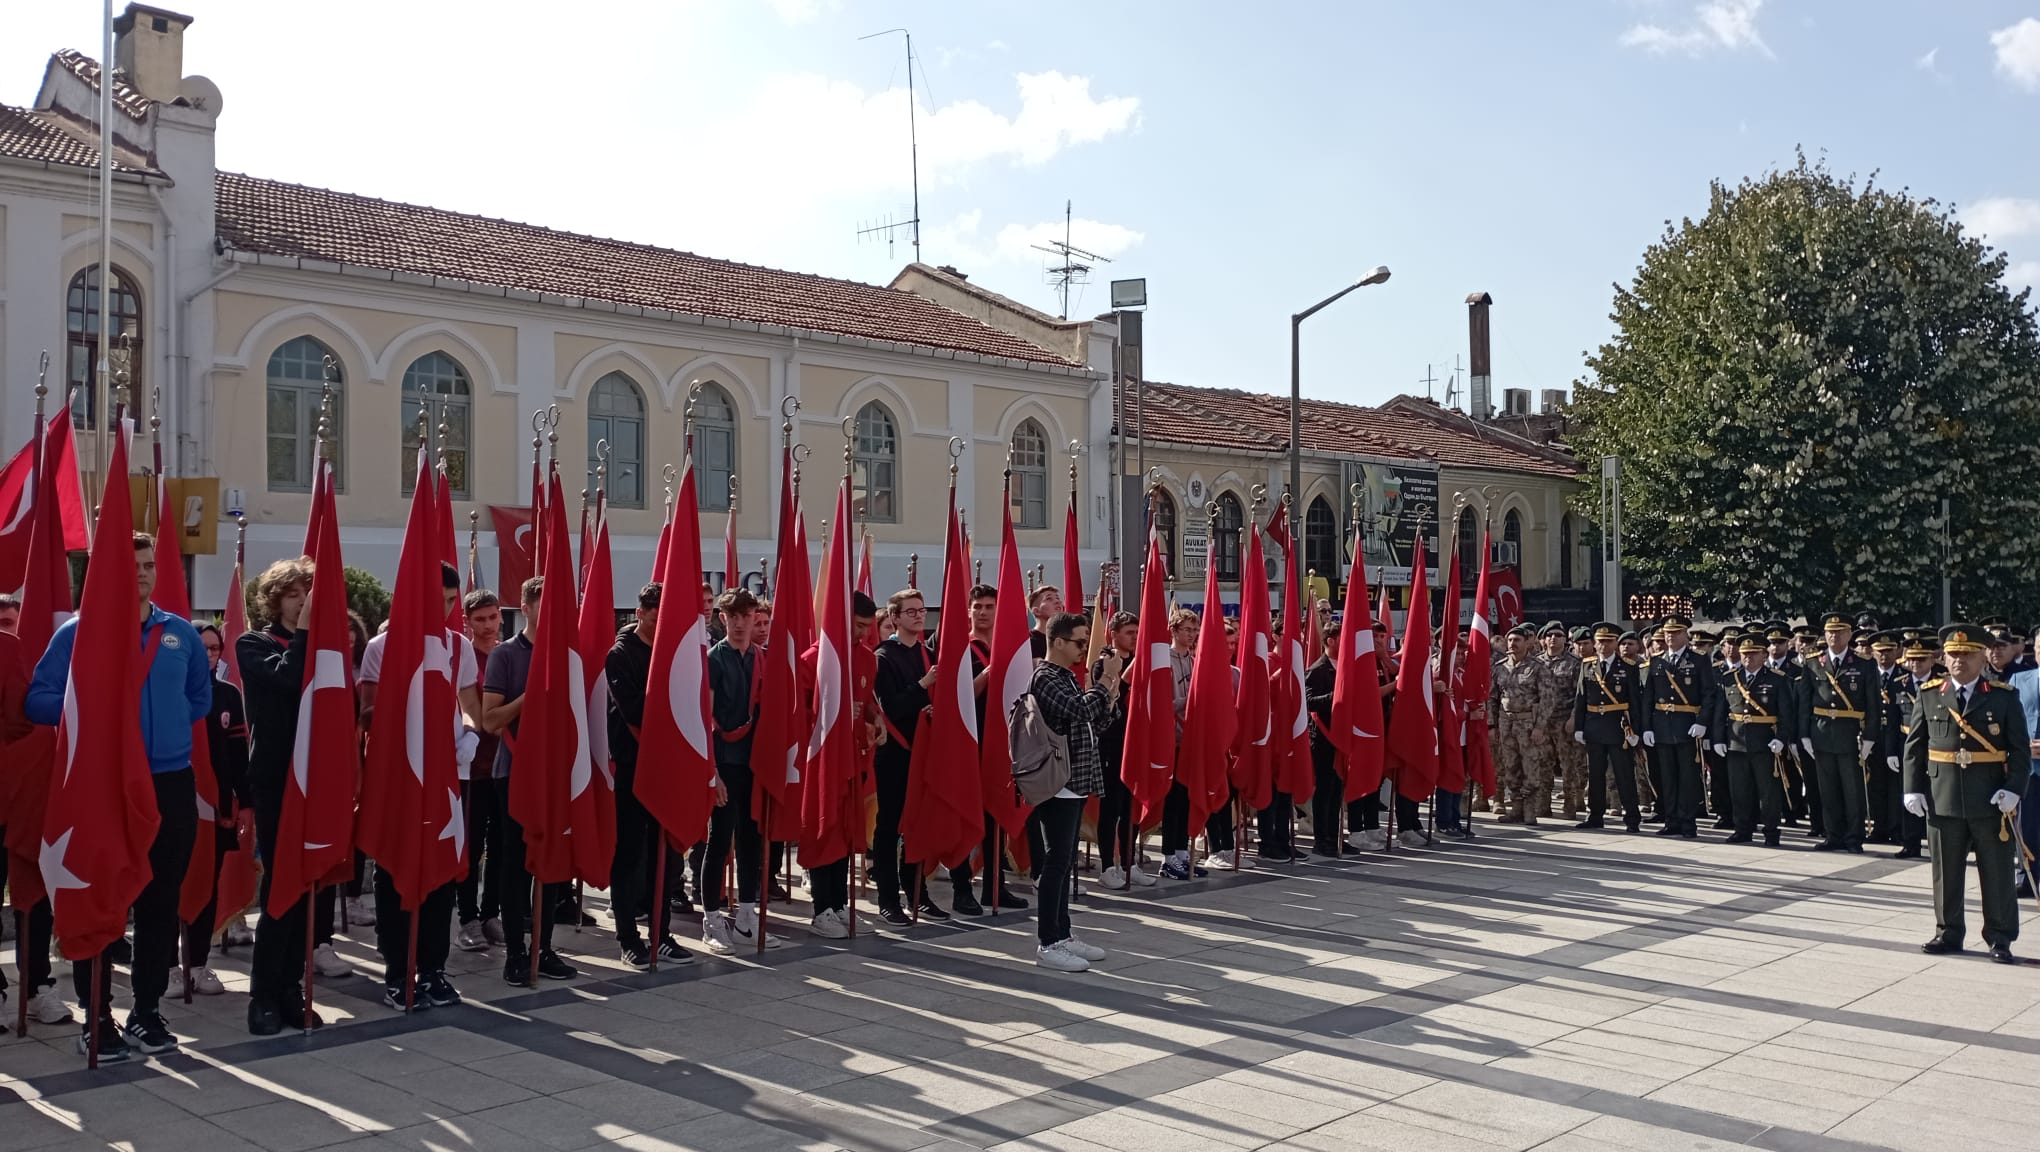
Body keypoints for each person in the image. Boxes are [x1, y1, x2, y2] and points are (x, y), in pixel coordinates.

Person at [29, 533, 211, 1059]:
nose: (143, 574)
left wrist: (159, 733)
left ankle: (147, 1010)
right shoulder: (78, 635)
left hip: (169, 784)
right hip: (103, 786)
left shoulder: (181, 634)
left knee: (160, 902)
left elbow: (198, 698)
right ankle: (98, 1013)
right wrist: (92, 708)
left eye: (150, 564)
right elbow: (39, 700)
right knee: (102, 899)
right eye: (131, 566)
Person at [357, 563, 480, 1010]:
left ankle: (433, 970)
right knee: (394, 873)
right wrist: (407, 716)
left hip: (445, 777)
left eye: (452, 601)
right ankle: (396, 973)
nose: (445, 610)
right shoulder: (382, 647)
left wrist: (470, 733)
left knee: (441, 873)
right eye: (439, 600)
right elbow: (366, 713)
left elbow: (470, 706)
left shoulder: (459, 646)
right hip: (399, 776)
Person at [1906, 624, 2030, 965]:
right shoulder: (1930, 693)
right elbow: (1915, 747)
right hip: (1942, 797)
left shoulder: (2002, 695)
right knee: (1945, 872)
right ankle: (1948, 931)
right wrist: (1912, 789)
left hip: (1990, 799)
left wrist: (2013, 789)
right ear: (1944, 657)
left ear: (1982, 657)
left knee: (1997, 873)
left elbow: (2019, 751)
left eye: (1968, 654)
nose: (1960, 660)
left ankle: (2000, 937)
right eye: (1954, 654)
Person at [238, 556, 323, 1036]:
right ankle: (263, 995)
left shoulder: (322, 646)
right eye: (294, 593)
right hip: (276, 780)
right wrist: (307, 632)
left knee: (309, 886)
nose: (303, 601)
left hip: (315, 779)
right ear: (276, 600)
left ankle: (293, 988)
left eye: (308, 592)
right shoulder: (253, 643)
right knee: (280, 886)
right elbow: (288, 680)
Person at [480, 577, 577, 984]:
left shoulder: (567, 656)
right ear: (524, 605)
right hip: (514, 772)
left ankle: (545, 947)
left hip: (557, 774)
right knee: (516, 863)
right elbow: (490, 719)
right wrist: (532, 694)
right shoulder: (505, 655)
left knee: (552, 861)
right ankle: (516, 953)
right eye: (541, 603)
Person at [1029, 612, 1120, 972]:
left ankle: (1062, 932)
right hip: (1057, 780)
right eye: (1081, 642)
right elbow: (1077, 710)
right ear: (1059, 642)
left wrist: (1107, 691)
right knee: (1055, 862)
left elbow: (1096, 721)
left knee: (1064, 861)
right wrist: (1106, 681)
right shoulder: (1046, 677)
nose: (1085, 648)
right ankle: (1048, 941)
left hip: (1076, 777)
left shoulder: (1067, 677)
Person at [608, 583, 689, 967]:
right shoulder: (621, 654)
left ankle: (663, 932)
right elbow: (637, 710)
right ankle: (628, 936)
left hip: (669, 765)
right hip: (632, 764)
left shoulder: (676, 651)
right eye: (653, 620)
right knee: (630, 855)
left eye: (665, 621)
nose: (659, 628)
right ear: (639, 614)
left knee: (666, 856)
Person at [170, 623, 250, 1000]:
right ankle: (167, 967)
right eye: (200, 648)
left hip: (216, 810)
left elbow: (237, 756)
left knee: (206, 884)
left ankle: (198, 964)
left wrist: (245, 803)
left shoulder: (229, 696)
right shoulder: (166, 690)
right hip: (172, 806)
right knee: (167, 888)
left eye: (215, 649)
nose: (208, 655)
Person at [703, 588, 782, 951]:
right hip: (725, 761)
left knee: (752, 840)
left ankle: (747, 916)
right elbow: (707, 719)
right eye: (731, 617)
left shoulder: (764, 659)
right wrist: (712, 772)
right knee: (719, 841)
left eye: (745, 616)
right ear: (722, 619)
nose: (739, 623)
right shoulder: (713, 660)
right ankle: (712, 919)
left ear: (755, 618)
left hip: (755, 763)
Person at [871, 588, 954, 924]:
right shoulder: (884, 656)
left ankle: (917, 893)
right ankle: (888, 899)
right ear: (894, 618)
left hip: (924, 751)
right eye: (910, 612)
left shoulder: (926, 652)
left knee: (919, 825)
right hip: (895, 752)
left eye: (921, 611)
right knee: (889, 826)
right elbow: (890, 706)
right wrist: (922, 686)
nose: (919, 616)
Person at [803, 592, 881, 937]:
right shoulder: (813, 659)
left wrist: (875, 721)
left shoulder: (867, 658)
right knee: (825, 830)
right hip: (822, 764)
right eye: (858, 625)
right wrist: (829, 718)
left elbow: (869, 704)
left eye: (868, 626)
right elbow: (798, 716)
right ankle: (822, 909)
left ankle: (837, 902)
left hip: (855, 760)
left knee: (847, 831)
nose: (863, 633)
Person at [964, 584, 1027, 910]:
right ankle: (963, 889)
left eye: (990, 606)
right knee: (966, 815)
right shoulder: (962, 647)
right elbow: (963, 697)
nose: (985, 612)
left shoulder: (1009, 646)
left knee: (996, 818)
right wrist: (990, 672)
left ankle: (994, 887)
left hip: (1003, 742)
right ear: (970, 610)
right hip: (971, 743)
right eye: (979, 606)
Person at [1800, 613, 1881, 853]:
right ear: (1825, 635)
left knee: (1852, 789)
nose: (1834, 636)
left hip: (1851, 734)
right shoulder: (1813, 662)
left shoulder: (1864, 663)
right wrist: (1804, 734)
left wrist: (1870, 736)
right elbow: (1804, 701)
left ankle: (1854, 837)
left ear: (1849, 634)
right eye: (1830, 632)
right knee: (1828, 789)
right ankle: (1832, 835)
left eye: (1839, 631)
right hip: (1822, 732)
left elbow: (1873, 704)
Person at [1708, 634, 1794, 846]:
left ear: (1764, 655)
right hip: (1736, 742)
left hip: (1764, 742)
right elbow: (1721, 711)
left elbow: (1786, 714)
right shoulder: (1729, 678)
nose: (1748, 658)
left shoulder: (1777, 678)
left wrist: (1781, 738)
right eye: (1745, 654)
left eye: (1753, 654)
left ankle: (1771, 831)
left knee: (1768, 792)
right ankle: (1742, 829)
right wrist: (1718, 738)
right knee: (1739, 790)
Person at [1639, 614, 1716, 839]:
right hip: (1662, 725)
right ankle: (1671, 820)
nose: (1670, 637)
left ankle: (1688, 822)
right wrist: (1647, 727)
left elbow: (1709, 694)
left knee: (1687, 777)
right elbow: (1648, 698)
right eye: (1667, 633)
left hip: (1687, 725)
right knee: (1667, 777)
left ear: (1685, 635)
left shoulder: (1699, 660)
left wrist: (1702, 722)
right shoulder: (1656, 660)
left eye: (1675, 633)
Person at [458, 588, 505, 951]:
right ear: (467, 622)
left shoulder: (507, 655)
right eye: (480, 620)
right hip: (473, 768)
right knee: (471, 847)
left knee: (502, 846)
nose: (488, 626)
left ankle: (492, 914)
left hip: (507, 767)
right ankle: (468, 918)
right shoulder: (464, 658)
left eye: (492, 617)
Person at [1095, 611, 1151, 887]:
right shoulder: (1104, 663)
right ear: (1113, 633)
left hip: (1138, 740)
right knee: (1112, 807)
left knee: (1132, 806)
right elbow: (1108, 699)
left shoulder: (1143, 663)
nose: (1135, 637)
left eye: (1137, 632)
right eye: (1129, 632)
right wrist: (1129, 670)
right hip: (1112, 743)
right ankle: (1107, 866)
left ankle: (1129, 862)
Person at [1572, 622, 1645, 832]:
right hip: (1594, 726)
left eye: (1608, 641)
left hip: (1618, 727)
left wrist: (1636, 731)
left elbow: (1634, 702)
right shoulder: (1587, 665)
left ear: (1615, 643)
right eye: (1600, 641)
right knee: (1595, 775)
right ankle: (1595, 815)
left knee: (1624, 774)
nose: (1603, 645)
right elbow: (1581, 698)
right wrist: (1579, 726)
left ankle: (1632, 818)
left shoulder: (1628, 667)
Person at [1158, 609, 1205, 879]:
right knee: (1172, 800)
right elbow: (1163, 701)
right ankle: (1168, 857)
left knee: (1187, 798)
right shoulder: (1166, 658)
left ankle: (1182, 852)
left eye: (1194, 630)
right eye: (1186, 629)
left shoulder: (1195, 659)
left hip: (1192, 739)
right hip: (1172, 737)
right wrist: (1189, 703)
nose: (1191, 635)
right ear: (1174, 630)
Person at [1491, 625, 1549, 826]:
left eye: (1517, 640)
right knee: (1510, 766)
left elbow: (1547, 699)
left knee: (1530, 767)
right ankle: (1516, 808)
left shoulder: (1538, 667)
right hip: (1506, 723)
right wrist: (1492, 726)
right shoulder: (1500, 667)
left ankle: (1529, 809)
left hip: (1528, 724)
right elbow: (1493, 698)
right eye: (1510, 640)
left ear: (1527, 643)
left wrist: (1540, 727)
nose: (1512, 644)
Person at [1867, 631, 1909, 847]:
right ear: (1873, 652)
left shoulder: (1904, 676)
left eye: (1889, 651)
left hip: (1897, 736)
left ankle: (1897, 828)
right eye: (1880, 651)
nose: (1884, 656)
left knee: (1896, 786)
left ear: (1898, 651)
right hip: (1874, 735)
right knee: (1876, 784)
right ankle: (1879, 827)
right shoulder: (1867, 674)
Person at [2007, 625, 2040, 898]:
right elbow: (2011, 725)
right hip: (2028, 768)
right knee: (2025, 826)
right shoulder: (2019, 679)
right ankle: (2027, 877)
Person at [1537, 622, 1582, 820]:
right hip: (1542, 724)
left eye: (1558, 635)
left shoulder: (1574, 662)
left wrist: (1573, 718)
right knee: (1543, 764)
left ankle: (1570, 805)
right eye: (1549, 635)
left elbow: (1580, 695)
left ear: (1565, 639)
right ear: (1544, 639)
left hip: (1564, 721)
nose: (1553, 638)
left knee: (1568, 765)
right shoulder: (1536, 662)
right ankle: (1543, 804)